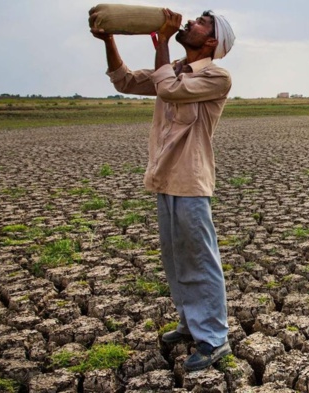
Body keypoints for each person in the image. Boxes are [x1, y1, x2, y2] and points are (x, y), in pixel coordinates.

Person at [90, 8, 235, 372]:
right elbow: (123, 80)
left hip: (190, 179)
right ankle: (190, 324)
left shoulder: (216, 76)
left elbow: (168, 89)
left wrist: (165, 42)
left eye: (200, 23)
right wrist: (110, 39)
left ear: (212, 40)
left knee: (200, 259)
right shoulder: (174, 70)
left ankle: (215, 340)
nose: (190, 23)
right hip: (165, 177)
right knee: (176, 259)